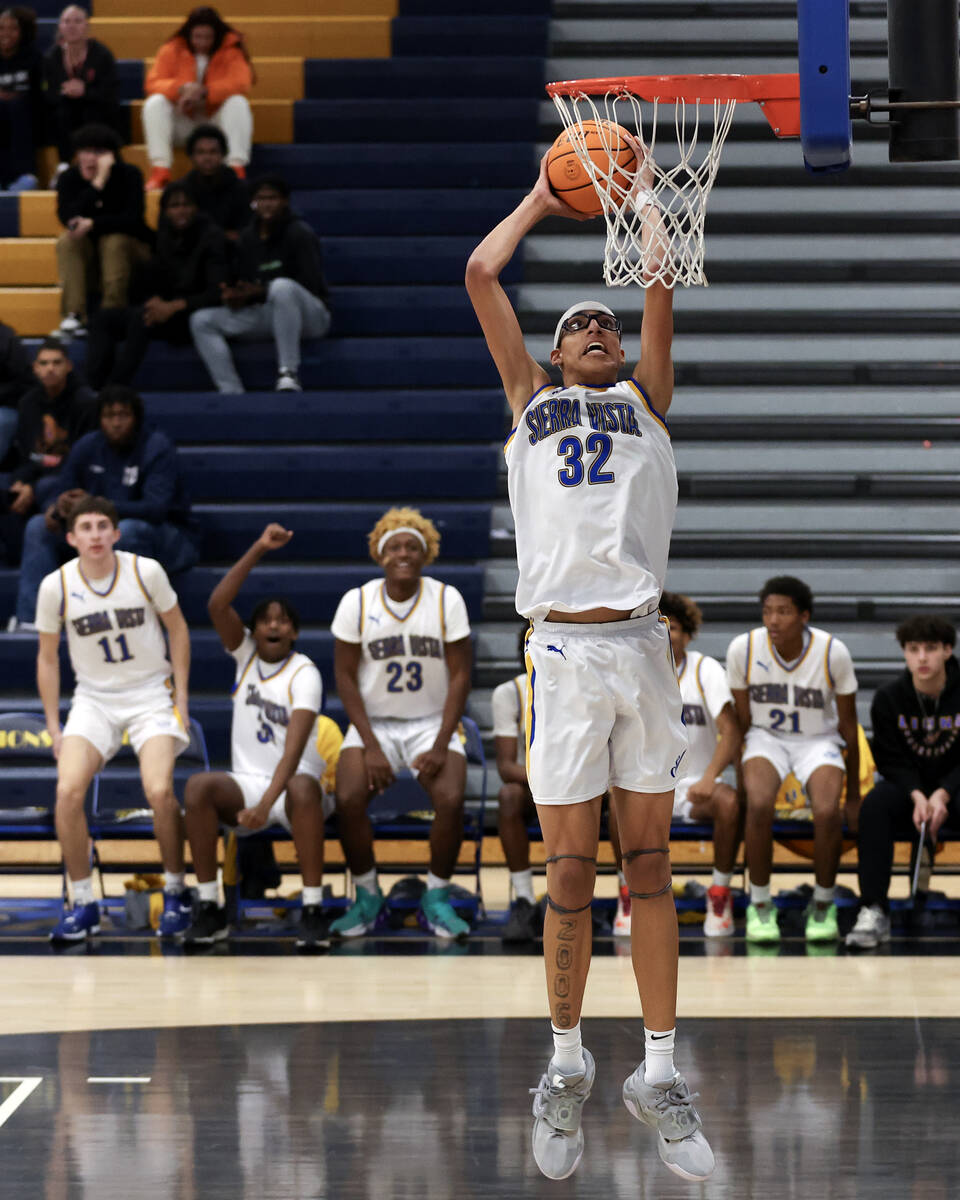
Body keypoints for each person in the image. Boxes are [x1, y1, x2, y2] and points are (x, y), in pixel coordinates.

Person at [465, 149, 714, 1182]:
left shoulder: (648, 400)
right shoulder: (526, 399)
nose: (593, 330)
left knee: (651, 866)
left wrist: (646, 196)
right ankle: (565, 1061)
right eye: (575, 328)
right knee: (570, 870)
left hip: (642, 646)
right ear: (556, 356)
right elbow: (482, 277)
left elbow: (658, 281)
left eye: (599, 325)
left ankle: (657, 1071)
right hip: (562, 652)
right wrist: (541, 193)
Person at [35, 495, 193, 942]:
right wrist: (53, 726)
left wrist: (181, 697)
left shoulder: (146, 572)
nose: (96, 534)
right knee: (67, 792)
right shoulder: (56, 586)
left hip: (150, 695)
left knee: (160, 790)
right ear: (71, 538)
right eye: (86, 527)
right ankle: (84, 903)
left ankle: (178, 892)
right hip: (94, 700)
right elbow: (47, 658)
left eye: (103, 525)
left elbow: (178, 629)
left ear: (117, 533)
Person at [182, 524, 337, 951]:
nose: (273, 626)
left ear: (294, 632)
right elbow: (217, 603)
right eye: (265, 620)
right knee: (198, 786)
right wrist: (258, 548)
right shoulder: (245, 657)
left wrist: (266, 804)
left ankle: (311, 909)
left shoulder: (304, 671)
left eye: (282, 621)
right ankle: (209, 906)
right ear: (252, 631)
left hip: (294, 788)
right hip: (249, 783)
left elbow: (295, 745)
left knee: (303, 786)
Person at [328, 507, 473, 941]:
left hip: (432, 722)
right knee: (348, 797)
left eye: (412, 546)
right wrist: (371, 746)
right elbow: (344, 677)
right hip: (375, 723)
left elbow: (462, 674)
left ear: (426, 552)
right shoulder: (357, 600)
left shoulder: (447, 599)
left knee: (450, 798)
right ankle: (369, 898)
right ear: (380, 554)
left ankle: (436, 898)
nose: (403, 554)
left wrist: (443, 741)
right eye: (394, 547)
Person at [727, 576, 860, 946]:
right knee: (758, 805)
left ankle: (822, 903)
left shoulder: (833, 652)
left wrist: (853, 797)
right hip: (767, 738)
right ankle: (760, 903)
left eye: (783, 611)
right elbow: (740, 723)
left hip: (818, 740)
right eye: (768, 611)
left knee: (827, 811)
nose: (773, 619)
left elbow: (850, 726)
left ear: (804, 616)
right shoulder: (744, 648)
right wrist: (740, 781)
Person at [14, 386, 201, 629]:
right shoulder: (88, 445)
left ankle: (128, 619)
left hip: (170, 538)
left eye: (123, 415)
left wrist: (96, 507)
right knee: (39, 526)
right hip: (101, 532)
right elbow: (63, 488)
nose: (115, 423)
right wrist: (57, 508)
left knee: (126, 530)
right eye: (108, 416)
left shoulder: (156, 448)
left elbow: (156, 509)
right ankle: (34, 622)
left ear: (136, 418)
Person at [847, 615, 960, 950]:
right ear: (904, 653)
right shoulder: (888, 698)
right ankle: (874, 909)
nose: (922, 657)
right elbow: (889, 759)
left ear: (947, 651)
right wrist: (917, 795)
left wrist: (943, 793)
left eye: (930, 649)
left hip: (954, 787)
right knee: (875, 806)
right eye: (914, 649)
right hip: (908, 789)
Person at [189, 175, 331, 393]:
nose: (266, 203)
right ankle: (231, 390)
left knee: (282, 287)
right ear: (252, 203)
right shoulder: (247, 237)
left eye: (272, 198)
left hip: (310, 316)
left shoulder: (299, 233)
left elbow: (310, 285)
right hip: (269, 314)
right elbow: (245, 280)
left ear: (284, 201)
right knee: (201, 320)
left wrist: (261, 292)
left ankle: (288, 372)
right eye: (260, 198)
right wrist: (236, 294)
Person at [86, 182, 229, 388]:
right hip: (163, 311)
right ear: (165, 211)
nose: (180, 210)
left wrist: (174, 306)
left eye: (186, 204)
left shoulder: (212, 237)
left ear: (196, 208)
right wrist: (153, 301)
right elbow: (149, 282)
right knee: (104, 318)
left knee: (140, 318)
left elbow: (216, 292)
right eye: (174, 205)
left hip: (195, 315)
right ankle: (93, 387)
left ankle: (115, 388)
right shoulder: (163, 237)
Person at [55, 123, 153, 338]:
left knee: (114, 240)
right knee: (67, 240)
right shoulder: (69, 178)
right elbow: (68, 218)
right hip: (92, 255)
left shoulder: (129, 175)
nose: (91, 158)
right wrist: (97, 184)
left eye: (99, 152)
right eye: (86, 151)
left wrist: (94, 224)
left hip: (133, 250)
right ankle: (75, 315)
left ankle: (112, 313)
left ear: (113, 156)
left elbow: (132, 220)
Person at [142, 5, 253, 193]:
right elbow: (152, 83)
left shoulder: (232, 50)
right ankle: (160, 169)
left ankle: (235, 169)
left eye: (207, 37)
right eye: (197, 37)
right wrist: (181, 89)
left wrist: (205, 92)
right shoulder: (171, 49)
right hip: (183, 120)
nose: (202, 42)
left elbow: (241, 83)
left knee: (238, 103)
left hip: (215, 123)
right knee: (154, 104)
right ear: (189, 35)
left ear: (216, 36)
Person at [6, 337, 97, 523]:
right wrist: (20, 482)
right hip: (38, 474)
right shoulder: (27, 403)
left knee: (45, 487)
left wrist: (31, 485)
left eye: (57, 362)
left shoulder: (85, 403)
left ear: (69, 366)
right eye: (44, 363)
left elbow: (81, 460)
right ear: (35, 368)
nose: (50, 368)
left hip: (71, 479)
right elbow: (27, 456)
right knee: (10, 494)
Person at [491, 626, 542, 943]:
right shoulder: (510, 692)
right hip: (537, 786)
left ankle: (625, 899)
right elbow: (507, 767)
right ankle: (524, 898)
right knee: (508, 795)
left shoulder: (586, 684)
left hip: (588, 784)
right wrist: (552, 779)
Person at [42, 6, 120, 178]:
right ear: (60, 27)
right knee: (63, 110)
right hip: (64, 114)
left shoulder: (102, 54)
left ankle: (101, 165)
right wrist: (65, 91)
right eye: (66, 21)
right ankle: (64, 166)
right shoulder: (52, 57)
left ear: (87, 26)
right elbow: (46, 93)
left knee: (91, 109)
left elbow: (110, 92)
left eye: (77, 21)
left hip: (98, 111)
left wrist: (85, 91)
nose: (72, 26)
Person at [180, 123, 249, 237]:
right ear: (191, 156)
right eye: (201, 152)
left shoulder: (242, 189)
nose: (207, 158)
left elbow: (248, 232)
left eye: (213, 152)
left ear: (223, 154)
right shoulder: (181, 190)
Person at [0, 5, 42, 191]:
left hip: (27, 116)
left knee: (17, 107)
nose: (6, 33)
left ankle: (25, 177)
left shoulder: (34, 57)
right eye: (1, 27)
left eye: (13, 28)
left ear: (23, 31)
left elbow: (43, 95)